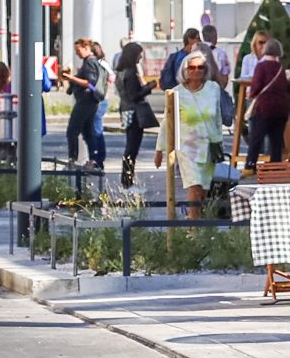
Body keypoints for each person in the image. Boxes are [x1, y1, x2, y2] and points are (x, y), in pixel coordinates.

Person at [155, 51, 223, 221]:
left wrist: (219, 142)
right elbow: (166, 123)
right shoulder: (176, 93)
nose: (196, 71)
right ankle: (194, 227)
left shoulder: (213, 89)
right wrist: (159, 150)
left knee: (203, 190)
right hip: (187, 147)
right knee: (194, 185)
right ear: (185, 70)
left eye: (201, 67)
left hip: (208, 146)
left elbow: (218, 118)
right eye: (192, 67)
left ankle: (196, 220)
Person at [244, 38, 290, 173]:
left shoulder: (261, 66)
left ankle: (250, 166)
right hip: (281, 109)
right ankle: (275, 167)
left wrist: (251, 94)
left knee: (256, 138)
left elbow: (256, 86)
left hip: (264, 108)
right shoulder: (281, 68)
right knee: (276, 140)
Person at [112, 44, 157, 188]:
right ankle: (127, 182)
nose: (140, 57)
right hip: (135, 112)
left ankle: (127, 181)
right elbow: (134, 96)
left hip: (125, 110)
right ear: (133, 55)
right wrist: (149, 87)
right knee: (132, 148)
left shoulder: (121, 71)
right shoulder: (131, 73)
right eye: (139, 54)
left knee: (130, 146)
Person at [64, 39, 107, 172]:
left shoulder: (89, 62)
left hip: (85, 102)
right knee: (89, 133)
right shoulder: (89, 62)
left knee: (72, 131)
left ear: (86, 47)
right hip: (90, 102)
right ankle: (94, 161)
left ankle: (72, 159)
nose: (77, 54)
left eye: (78, 50)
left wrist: (72, 78)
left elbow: (89, 82)